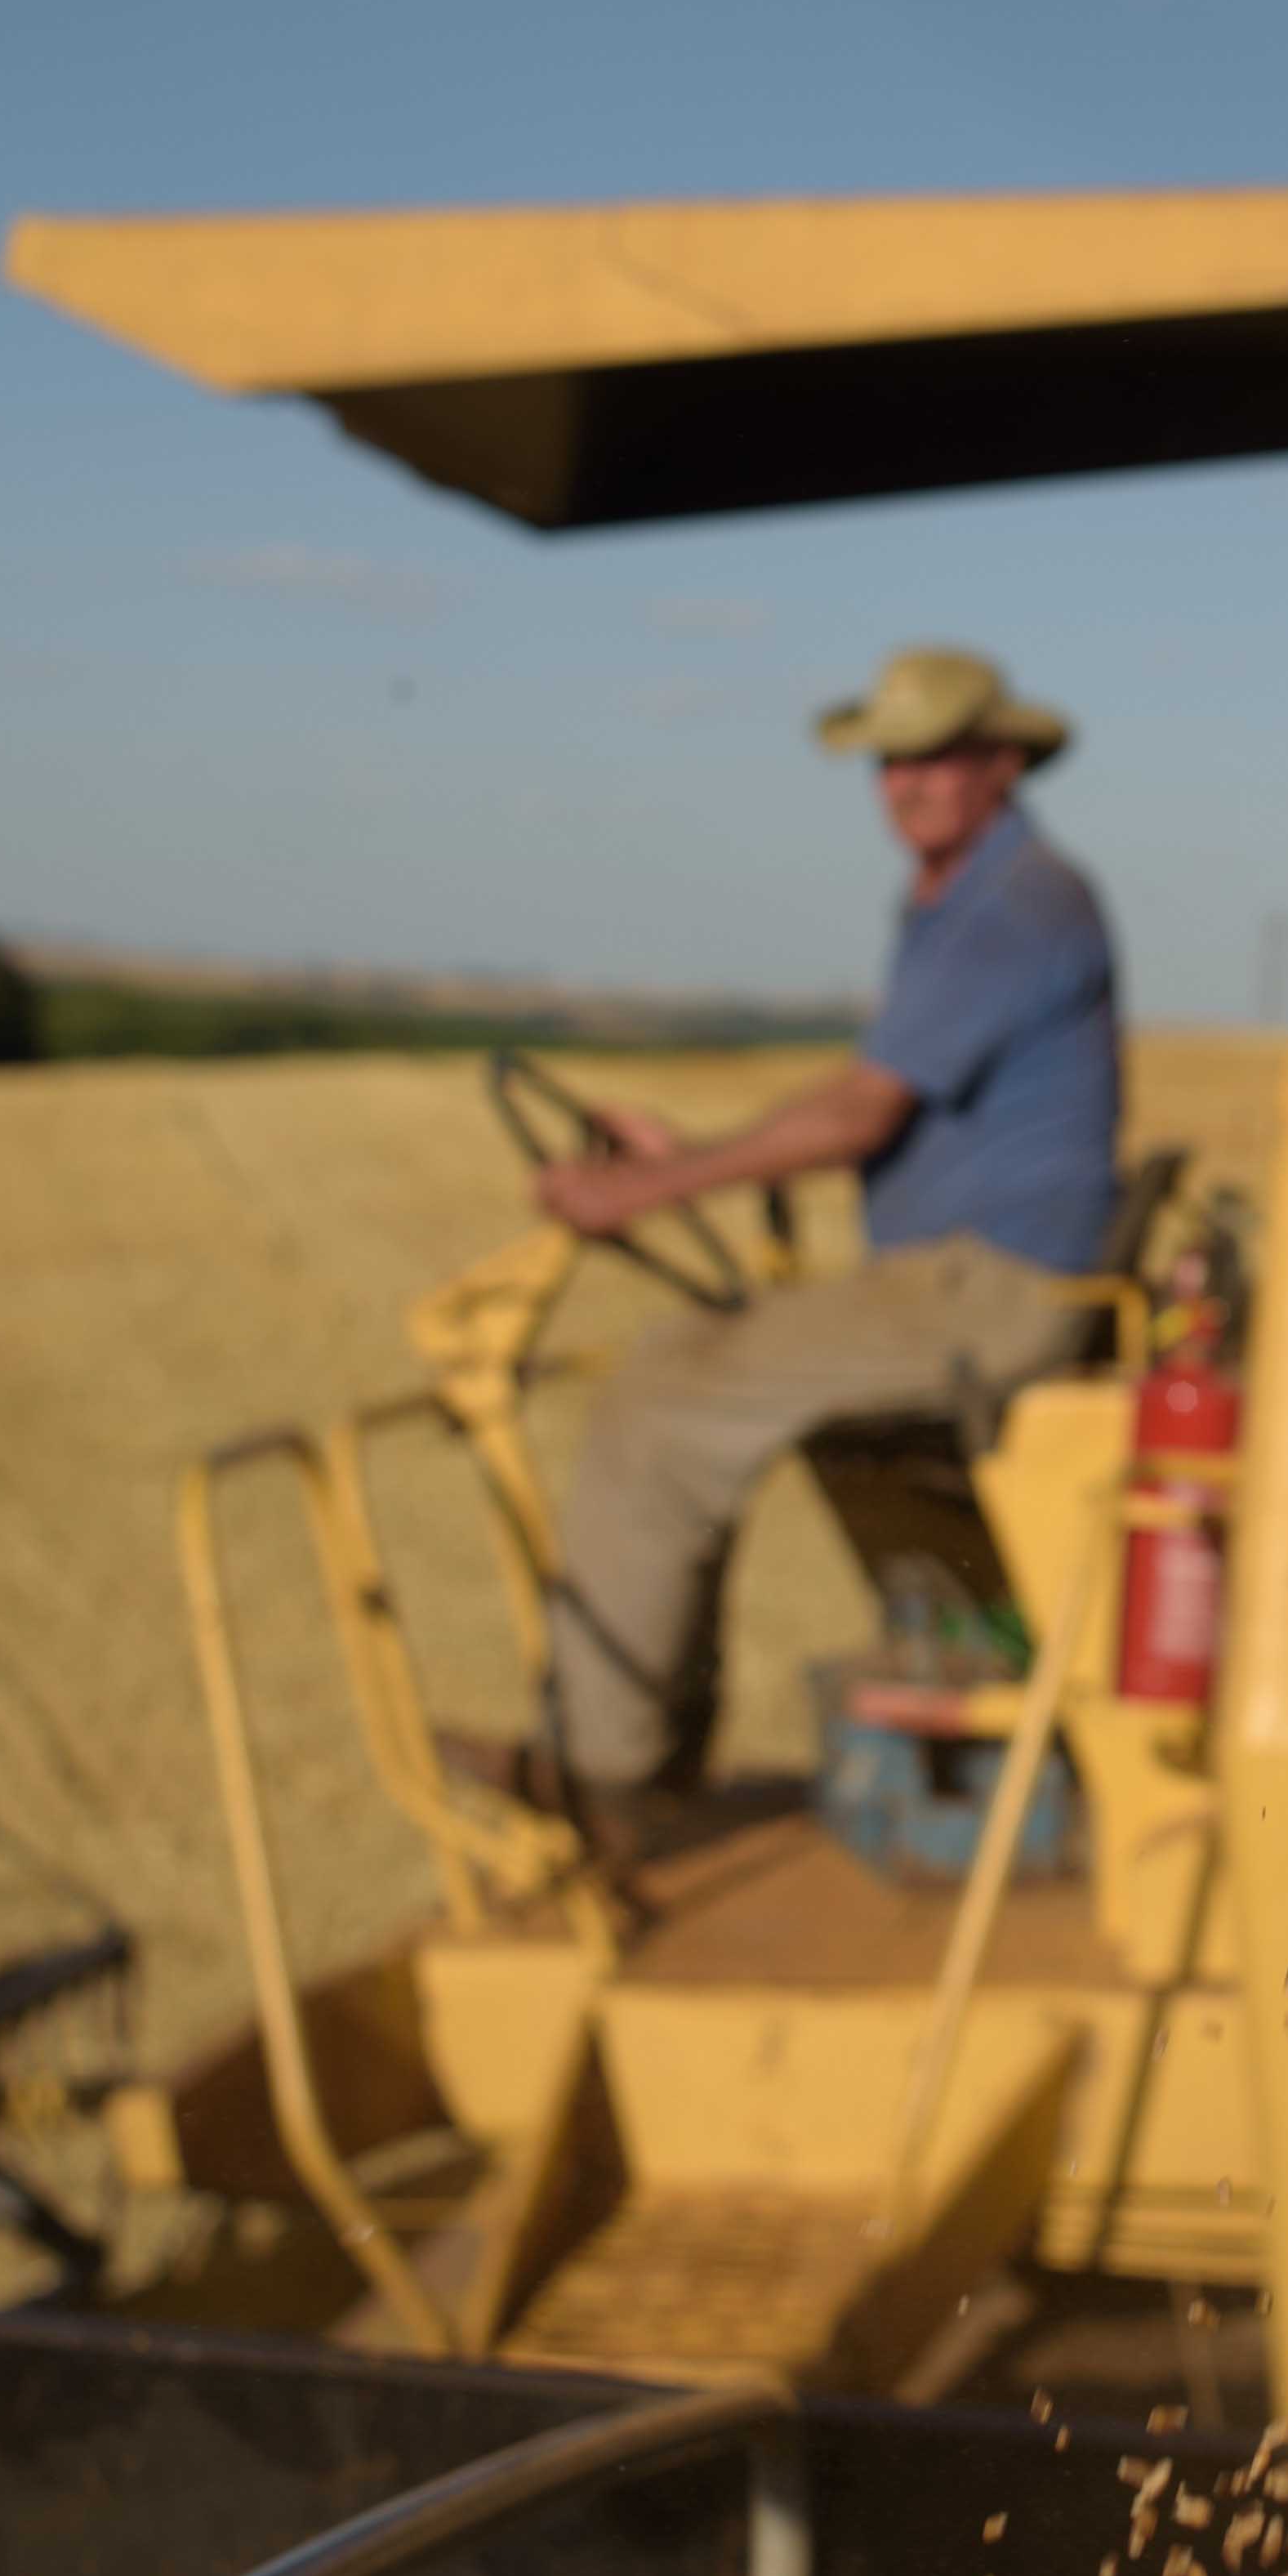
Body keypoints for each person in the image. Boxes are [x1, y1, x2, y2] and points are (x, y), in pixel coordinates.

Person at [476, 644, 1121, 1863]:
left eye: (935, 756)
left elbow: (858, 1117)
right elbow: (876, 1099)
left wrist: (651, 1186)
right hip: (965, 1276)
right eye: (891, 761)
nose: (907, 784)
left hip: (990, 1289)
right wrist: (686, 1155)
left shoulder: (1016, 902)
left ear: (1000, 762)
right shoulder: (964, 896)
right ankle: (650, 1753)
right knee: (690, 1368)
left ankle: (607, 1778)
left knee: (662, 1398)